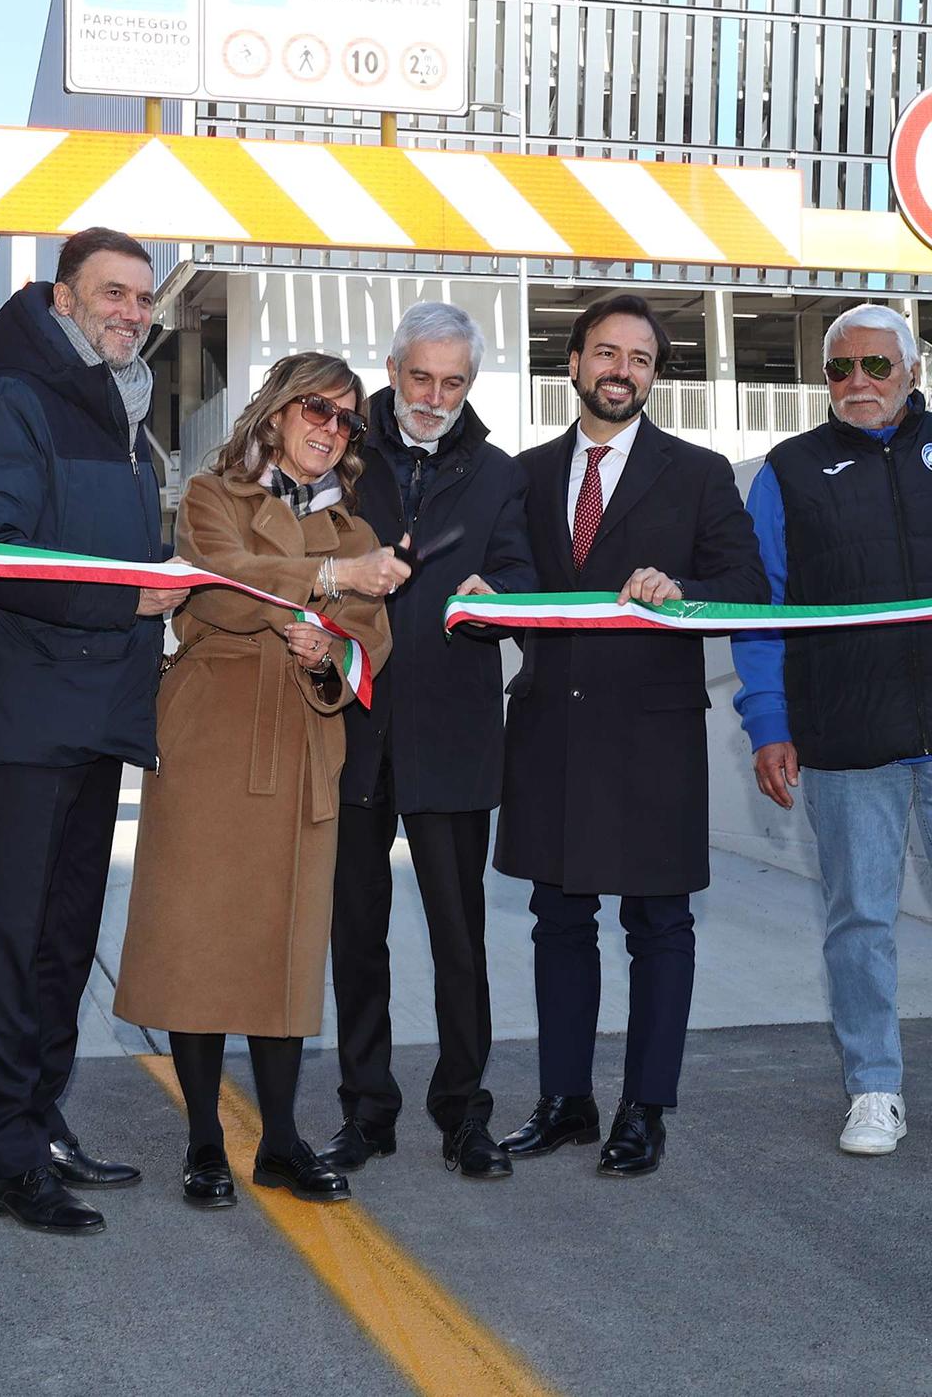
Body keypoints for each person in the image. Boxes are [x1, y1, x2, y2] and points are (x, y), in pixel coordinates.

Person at [0, 227, 189, 1236]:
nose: (131, 312)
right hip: (28, 718)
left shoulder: (120, 413)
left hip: (95, 718)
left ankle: (39, 1121)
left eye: (142, 299)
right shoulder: (12, 401)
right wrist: (126, 604)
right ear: (60, 300)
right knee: (14, 942)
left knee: (62, 941)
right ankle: (8, 1154)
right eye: (111, 294)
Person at [114, 355, 397, 1208]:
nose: (331, 428)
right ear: (275, 410)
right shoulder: (211, 496)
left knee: (285, 951)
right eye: (318, 407)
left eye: (347, 420)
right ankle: (205, 1138)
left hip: (303, 737)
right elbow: (226, 586)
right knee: (198, 942)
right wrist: (327, 585)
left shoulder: (352, 526)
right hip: (211, 731)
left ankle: (280, 1139)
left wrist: (332, 654)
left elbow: (372, 641)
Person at [496, 294, 768, 1178]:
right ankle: (566, 1101)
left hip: (650, 741)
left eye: (640, 358)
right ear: (573, 363)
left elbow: (750, 586)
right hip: (552, 732)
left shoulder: (697, 473)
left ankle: (645, 1109)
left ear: (655, 375)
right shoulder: (526, 474)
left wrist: (682, 587)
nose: (622, 370)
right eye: (606, 352)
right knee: (559, 922)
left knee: (660, 924)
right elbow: (507, 582)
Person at [317, 302, 536, 1182]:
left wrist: (497, 593)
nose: (434, 396)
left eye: (453, 382)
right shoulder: (341, 451)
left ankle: (464, 1110)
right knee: (355, 934)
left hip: (451, 736)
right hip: (352, 732)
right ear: (392, 366)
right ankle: (366, 1112)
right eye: (420, 377)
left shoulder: (499, 475)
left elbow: (520, 578)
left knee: (459, 936)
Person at [733, 303, 932, 1157]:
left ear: (912, 373)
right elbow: (760, 606)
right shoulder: (787, 470)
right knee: (859, 919)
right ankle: (874, 1086)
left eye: (876, 367)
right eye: (840, 368)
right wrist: (770, 721)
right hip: (849, 736)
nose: (857, 383)